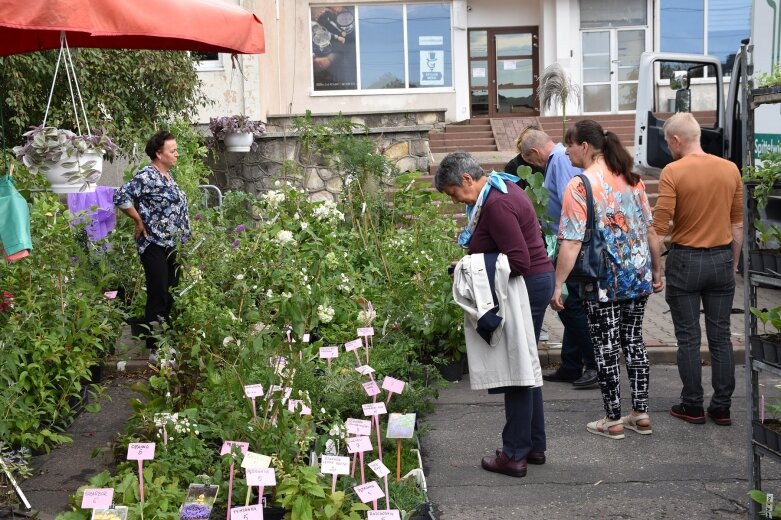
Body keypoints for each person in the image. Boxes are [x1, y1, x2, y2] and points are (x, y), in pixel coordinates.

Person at [436, 151, 554, 477]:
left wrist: (469, 266)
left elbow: (518, 262)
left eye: (453, 193)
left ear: (466, 180)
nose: (454, 200)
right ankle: (533, 446)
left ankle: (514, 455)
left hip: (524, 287)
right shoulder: (500, 189)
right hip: (533, 283)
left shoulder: (497, 204)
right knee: (526, 366)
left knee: (516, 370)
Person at [551, 119, 664, 440]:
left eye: (569, 144)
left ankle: (613, 419)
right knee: (634, 343)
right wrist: (657, 271)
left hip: (602, 281)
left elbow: (571, 242)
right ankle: (640, 413)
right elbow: (651, 230)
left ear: (584, 146)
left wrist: (557, 283)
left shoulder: (580, 185)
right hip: (637, 276)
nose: (567, 151)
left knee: (605, 347)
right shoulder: (633, 179)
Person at [653, 112, 744, 426]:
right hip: (720, 260)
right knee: (720, 338)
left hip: (686, 262)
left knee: (688, 339)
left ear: (677, 140)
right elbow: (737, 224)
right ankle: (722, 407)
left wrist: (657, 267)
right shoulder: (730, 169)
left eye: (668, 142)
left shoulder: (673, 171)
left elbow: (659, 227)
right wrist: (732, 264)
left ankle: (692, 405)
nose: (668, 148)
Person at [518, 126, 598, 388]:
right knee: (571, 304)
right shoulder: (559, 160)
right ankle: (572, 364)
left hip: (570, 242)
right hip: (566, 240)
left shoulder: (560, 160)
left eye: (531, 161)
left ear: (534, 152)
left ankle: (594, 363)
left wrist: (563, 248)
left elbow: (571, 201)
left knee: (568, 305)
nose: (534, 166)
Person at [114, 130, 191, 356]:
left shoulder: (168, 176)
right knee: (158, 292)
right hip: (154, 243)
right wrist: (137, 219)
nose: (177, 154)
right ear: (158, 153)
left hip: (173, 244)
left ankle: (167, 340)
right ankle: (154, 348)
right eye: (172, 150)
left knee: (171, 291)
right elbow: (120, 196)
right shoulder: (146, 176)